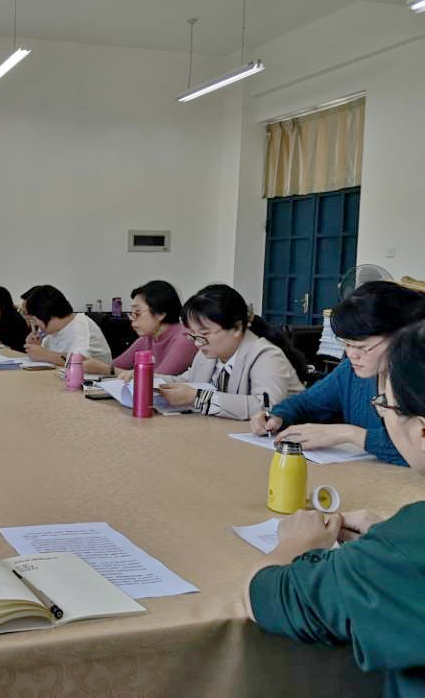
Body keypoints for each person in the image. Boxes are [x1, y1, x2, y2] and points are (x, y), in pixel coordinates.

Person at [245, 319, 425, 697]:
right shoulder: (405, 543)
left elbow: (261, 596)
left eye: (384, 405)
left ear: (421, 431)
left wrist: (294, 545)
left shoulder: (404, 549)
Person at [250, 281, 425, 466]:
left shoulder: (417, 381)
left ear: (402, 337)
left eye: (362, 347)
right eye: (346, 344)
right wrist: (278, 416)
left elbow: (415, 448)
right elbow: (306, 403)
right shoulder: (351, 372)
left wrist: (350, 434)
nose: (351, 354)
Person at [158, 284, 307, 419]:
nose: (197, 343)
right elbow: (189, 382)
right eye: (193, 334)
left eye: (204, 334)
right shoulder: (208, 352)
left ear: (237, 328)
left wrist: (199, 398)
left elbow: (268, 407)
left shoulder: (266, 356)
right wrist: (149, 380)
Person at [84, 280, 196, 378]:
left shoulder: (185, 339)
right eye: (132, 313)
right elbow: (116, 364)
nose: (132, 319)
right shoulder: (149, 337)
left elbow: (157, 380)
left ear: (160, 313)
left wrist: (108, 370)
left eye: (137, 312)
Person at [20, 284, 112, 366]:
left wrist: (44, 354)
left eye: (35, 319)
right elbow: (47, 354)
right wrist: (36, 347)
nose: (34, 323)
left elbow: (81, 362)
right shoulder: (54, 330)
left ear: (47, 314)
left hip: (96, 379)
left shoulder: (81, 325)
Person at [0, 286, 30, 352]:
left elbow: (12, 349)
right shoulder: (7, 318)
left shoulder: (14, 322)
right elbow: (5, 345)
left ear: (1, 305)